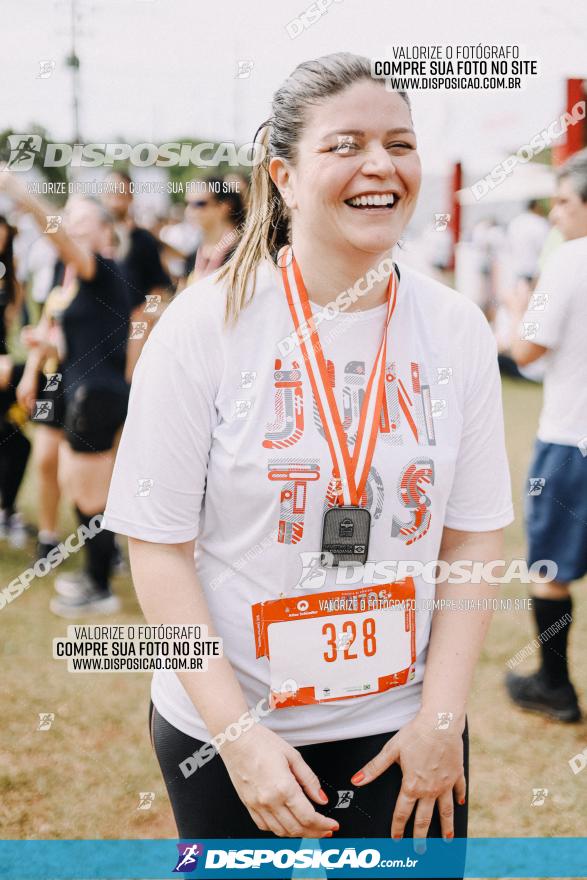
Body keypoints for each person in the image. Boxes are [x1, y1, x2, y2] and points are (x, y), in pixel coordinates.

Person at [103, 54, 513, 872]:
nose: (379, 166)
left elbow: (470, 540)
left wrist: (441, 718)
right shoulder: (204, 328)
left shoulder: (456, 327)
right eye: (346, 144)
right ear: (282, 177)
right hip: (235, 728)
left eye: (399, 144)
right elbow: (156, 547)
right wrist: (237, 739)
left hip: (402, 730)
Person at [0, 170, 132, 616]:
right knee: (82, 488)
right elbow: (81, 342)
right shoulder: (77, 277)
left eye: (78, 217)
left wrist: (20, 192)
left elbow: (54, 232)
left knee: (91, 493)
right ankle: (95, 577)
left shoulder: (101, 268)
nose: (69, 223)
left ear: (101, 230)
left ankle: (100, 586)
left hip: (96, 395)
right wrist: (46, 348)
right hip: (83, 391)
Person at [504, 149, 587, 723]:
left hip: (571, 441)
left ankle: (554, 686)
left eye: (563, 201)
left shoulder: (572, 260)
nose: (555, 214)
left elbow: (526, 349)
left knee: (550, 570)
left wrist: (515, 306)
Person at [101, 170, 171, 379]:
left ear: (130, 196)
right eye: (111, 192)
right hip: (99, 327)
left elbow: (159, 286)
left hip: (131, 331)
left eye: (121, 193)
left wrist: (142, 315)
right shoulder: (93, 237)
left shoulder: (143, 240)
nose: (115, 199)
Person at [0, 215, 30, 547]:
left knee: (16, 443)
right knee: (16, 443)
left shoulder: (12, 276)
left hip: (5, 370)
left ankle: (7, 510)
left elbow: (9, 326)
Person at [182, 176, 244, 285]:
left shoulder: (243, 250)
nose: (189, 210)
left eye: (200, 204)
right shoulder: (194, 255)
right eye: (187, 203)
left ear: (223, 207)